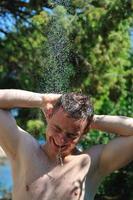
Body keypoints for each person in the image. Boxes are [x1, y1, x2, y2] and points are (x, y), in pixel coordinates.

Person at [0, 89, 132, 200]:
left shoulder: (90, 163)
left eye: (71, 135)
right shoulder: (24, 149)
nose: (61, 140)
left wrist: (90, 120)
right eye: (57, 129)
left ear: (83, 132)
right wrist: (43, 99)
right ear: (49, 115)